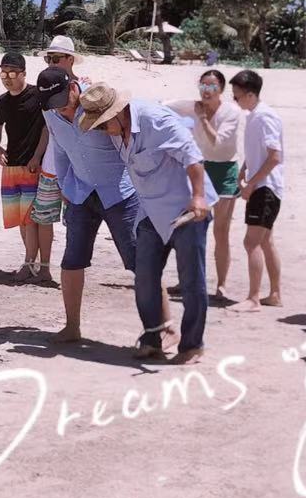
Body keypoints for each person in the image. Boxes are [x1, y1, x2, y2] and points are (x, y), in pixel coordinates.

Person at [80, 84, 213, 363]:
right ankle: (153, 337)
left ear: (118, 113)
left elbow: (193, 157)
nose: (102, 130)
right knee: (144, 275)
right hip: (150, 210)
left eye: (103, 124)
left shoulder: (156, 120)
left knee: (191, 279)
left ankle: (192, 346)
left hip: (186, 208)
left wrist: (199, 197)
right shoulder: (117, 131)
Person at [37, 66, 142, 343]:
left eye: (63, 102)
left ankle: (160, 330)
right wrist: (63, 186)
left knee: (141, 263)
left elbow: (129, 138)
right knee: (71, 261)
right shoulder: (50, 112)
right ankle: (72, 327)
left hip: (120, 193)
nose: (60, 109)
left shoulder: (99, 103)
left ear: (73, 87)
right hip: (80, 193)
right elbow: (60, 149)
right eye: (53, 105)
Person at [169, 69, 242, 304]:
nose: (206, 91)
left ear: (221, 89)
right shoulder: (192, 106)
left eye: (212, 87)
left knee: (221, 231)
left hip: (225, 171)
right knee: (190, 228)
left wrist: (201, 119)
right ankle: (186, 280)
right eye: (203, 86)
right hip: (200, 168)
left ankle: (221, 285)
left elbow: (217, 141)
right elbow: (163, 106)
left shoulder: (231, 112)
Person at [0, 52, 54, 282]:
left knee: (33, 219)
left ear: (23, 73)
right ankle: (31, 263)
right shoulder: (2, 101)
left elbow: (47, 128)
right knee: (20, 219)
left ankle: (34, 265)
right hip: (11, 166)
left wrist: (37, 156)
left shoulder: (38, 96)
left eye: (12, 73)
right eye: (3, 73)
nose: (7, 78)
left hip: (33, 166)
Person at [228, 70, 284, 312]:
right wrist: (244, 170)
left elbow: (274, 157)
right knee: (266, 241)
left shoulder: (264, 117)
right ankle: (275, 294)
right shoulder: (255, 116)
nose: (235, 101)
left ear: (250, 94)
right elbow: (259, 152)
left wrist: (251, 184)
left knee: (251, 242)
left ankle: (253, 298)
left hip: (265, 187)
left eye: (237, 96)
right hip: (264, 185)